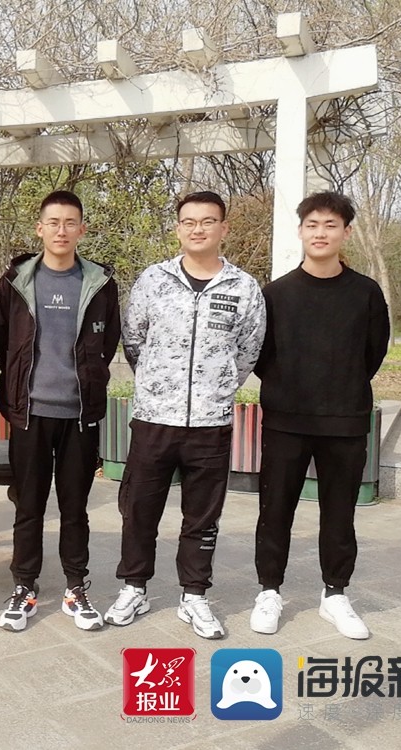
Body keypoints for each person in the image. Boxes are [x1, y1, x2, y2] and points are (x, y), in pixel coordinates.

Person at [104, 190, 265, 639]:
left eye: (208, 221)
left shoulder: (243, 287)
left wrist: (217, 387)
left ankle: (194, 595)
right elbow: (133, 339)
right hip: (155, 419)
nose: (198, 229)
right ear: (178, 229)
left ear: (223, 228)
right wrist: (159, 385)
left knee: (202, 516)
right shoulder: (153, 280)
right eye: (189, 221)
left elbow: (249, 350)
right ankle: (134, 587)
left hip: (211, 424)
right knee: (139, 510)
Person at [249, 191, 389, 640]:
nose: (321, 233)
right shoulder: (275, 294)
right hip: (286, 421)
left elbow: (373, 352)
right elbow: (261, 355)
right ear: (300, 231)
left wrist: (342, 385)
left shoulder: (366, 293)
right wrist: (287, 390)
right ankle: (269, 591)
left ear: (346, 232)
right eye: (312, 224)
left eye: (331, 225)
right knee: (274, 510)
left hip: (344, 421)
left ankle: (335, 594)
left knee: (340, 513)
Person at [0, 190, 121, 632]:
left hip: (79, 414)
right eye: (53, 222)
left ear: (82, 229)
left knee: (75, 507)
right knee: (28, 506)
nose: (61, 230)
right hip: (30, 413)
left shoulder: (100, 283)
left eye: (70, 223)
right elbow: (3, 340)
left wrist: (87, 381)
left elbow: (107, 343)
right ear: (40, 228)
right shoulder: (15, 281)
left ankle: (75, 587)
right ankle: (24, 587)